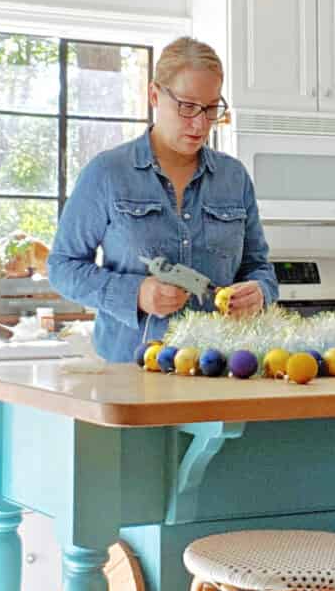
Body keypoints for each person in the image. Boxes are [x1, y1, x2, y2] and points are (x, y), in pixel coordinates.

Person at [47, 37, 278, 363]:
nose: (200, 124)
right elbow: (61, 267)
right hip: (129, 370)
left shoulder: (234, 178)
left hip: (220, 369)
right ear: (154, 94)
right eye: (187, 106)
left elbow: (259, 267)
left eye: (211, 109)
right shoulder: (107, 173)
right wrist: (134, 294)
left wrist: (260, 293)